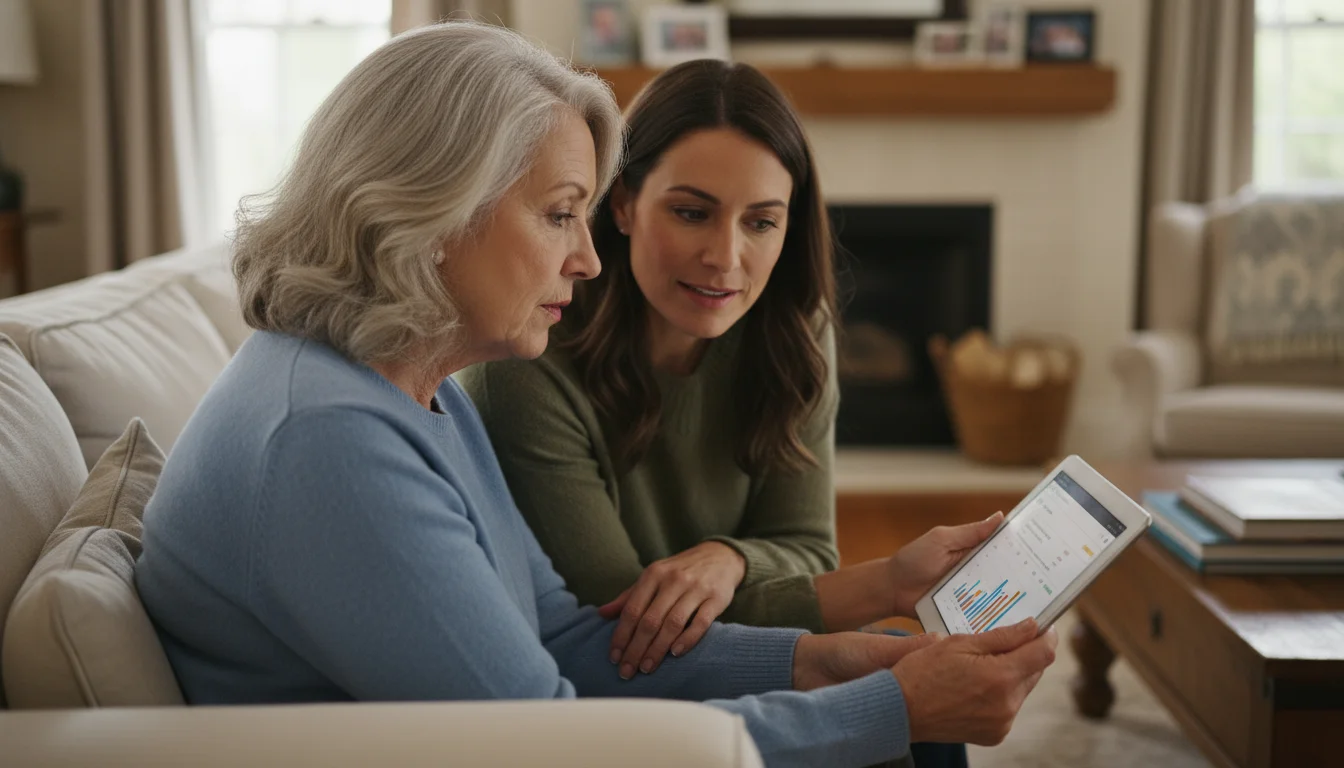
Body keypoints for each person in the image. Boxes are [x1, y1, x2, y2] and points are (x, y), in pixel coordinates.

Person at [135, 22, 1056, 768]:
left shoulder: (414, 391)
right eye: (560, 213)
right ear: (430, 205)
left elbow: (570, 637)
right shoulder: (328, 441)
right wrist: (884, 708)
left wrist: (825, 661)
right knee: (903, 734)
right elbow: (552, 741)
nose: (585, 257)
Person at [457, 58, 1005, 768]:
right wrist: (883, 583)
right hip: (614, 681)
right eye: (691, 212)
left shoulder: (794, 330)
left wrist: (729, 560)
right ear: (621, 203)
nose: (726, 258)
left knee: (907, 675)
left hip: (710, 645)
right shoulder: (529, 359)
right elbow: (625, 623)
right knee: (899, 673)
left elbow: (807, 547)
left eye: (761, 222)